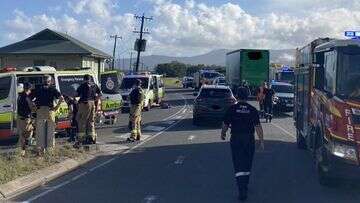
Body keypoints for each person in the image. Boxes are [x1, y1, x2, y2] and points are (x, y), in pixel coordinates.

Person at [221, 87, 265, 201]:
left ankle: (241, 189)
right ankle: (244, 185)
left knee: (238, 162)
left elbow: (225, 124)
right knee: (247, 162)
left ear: (237, 96)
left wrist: (223, 134)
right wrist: (261, 141)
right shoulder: (252, 109)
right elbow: (258, 127)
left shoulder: (232, 109)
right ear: (247, 95)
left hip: (236, 138)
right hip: (248, 139)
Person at [32, 75, 64, 153]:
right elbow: (61, 98)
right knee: (50, 130)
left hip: (40, 110)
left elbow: (29, 99)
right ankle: (50, 150)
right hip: (50, 111)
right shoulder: (53, 89)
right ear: (50, 82)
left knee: (40, 130)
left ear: (42, 81)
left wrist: (34, 108)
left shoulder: (38, 89)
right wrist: (56, 107)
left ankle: (40, 149)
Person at [75, 74, 101, 147]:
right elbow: (100, 94)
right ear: (90, 79)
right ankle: (91, 138)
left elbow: (76, 94)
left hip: (85, 103)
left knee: (82, 121)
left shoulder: (83, 85)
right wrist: (95, 99)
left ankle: (81, 139)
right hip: (92, 103)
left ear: (84, 79)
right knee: (91, 120)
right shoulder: (94, 85)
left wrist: (74, 98)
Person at [17, 82, 35, 156]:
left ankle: (23, 151)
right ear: (28, 89)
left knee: (22, 135)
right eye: (30, 90)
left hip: (20, 118)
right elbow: (32, 108)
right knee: (28, 133)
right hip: (26, 119)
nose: (31, 91)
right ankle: (25, 148)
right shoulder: (27, 97)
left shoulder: (19, 95)